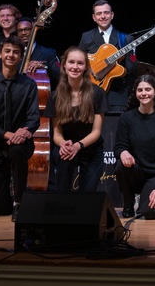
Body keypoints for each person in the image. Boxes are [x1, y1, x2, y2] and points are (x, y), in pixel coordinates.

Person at [0, 35, 40, 220]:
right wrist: (9, 135)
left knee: (17, 150)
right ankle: (10, 202)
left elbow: (34, 118)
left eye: (16, 52)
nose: (11, 55)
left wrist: (23, 132)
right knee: (1, 208)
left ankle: (20, 202)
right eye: (7, 51)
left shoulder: (29, 84)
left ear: (20, 57)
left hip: (21, 144)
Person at [45, 46, 108, 193]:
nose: (75, 67)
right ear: (64, 65)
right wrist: (64, 144)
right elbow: (57, 133)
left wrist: (78, 146)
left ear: (86, 67)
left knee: (86, 197)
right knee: (63, 191)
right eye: (71, 62)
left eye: (80, 63)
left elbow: (96, 132)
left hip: (90, 149)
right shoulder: (55, 96)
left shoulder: (97, 93)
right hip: (66, 149)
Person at [113, 74, 155, 219]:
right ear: (135, 93)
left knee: (149, 212)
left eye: (147, 90)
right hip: (135, 172)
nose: (144, 94)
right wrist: (123, 152)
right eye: (140, 90)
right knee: (119, 165)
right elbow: (118, 147)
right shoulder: (126, 118)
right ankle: (128, 206)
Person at [79, 0, 134, 112]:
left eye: (106, 13)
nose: (103, 16)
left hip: (118, 95)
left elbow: (131, 69)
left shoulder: (126, 39)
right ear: (94, 17)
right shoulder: (86, 36)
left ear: (112, 15)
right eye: (99, 13)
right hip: (90, 92)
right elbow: (79, 61)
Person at [16, 16, 61, 89]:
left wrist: (44, 67)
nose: (23, 33)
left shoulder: (48, 52)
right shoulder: (14, 54)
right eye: (20, 30)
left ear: (33, 30)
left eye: (27, 29)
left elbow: (60, 75)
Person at [0, 4, 22, 76]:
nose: (5, 18)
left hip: (18, 83)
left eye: (9, 15)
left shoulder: (22, 39)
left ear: (16, 18)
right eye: (2, 16)